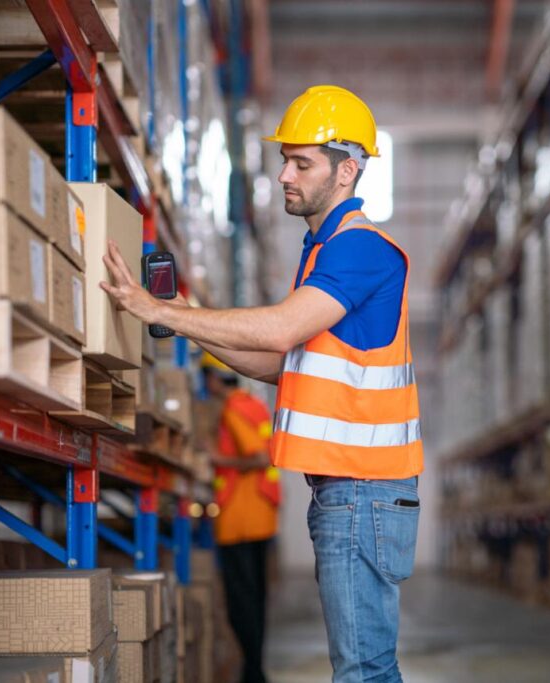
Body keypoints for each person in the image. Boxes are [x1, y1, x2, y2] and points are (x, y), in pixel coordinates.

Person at [99, 85, 423, 683]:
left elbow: (279, 330)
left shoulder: (360, 249)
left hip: (363, 491)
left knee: (363, 670)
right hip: (349, 491)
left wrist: (162, 312)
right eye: (284, 160)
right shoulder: (325, 250)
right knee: (362, 667)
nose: (283, 175)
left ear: (347, 170)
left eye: (302, 163)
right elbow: (280, 366)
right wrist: (186, 317)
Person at [202, 353, 280, 683]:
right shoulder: (254, 405)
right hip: (260, 515)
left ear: (215, 379)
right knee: (256, 597)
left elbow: (260, 457)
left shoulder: (233, 410)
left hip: (239, 520)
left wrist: (217, 458)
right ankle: (255, 669)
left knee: (241, 600)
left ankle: (253, 673)